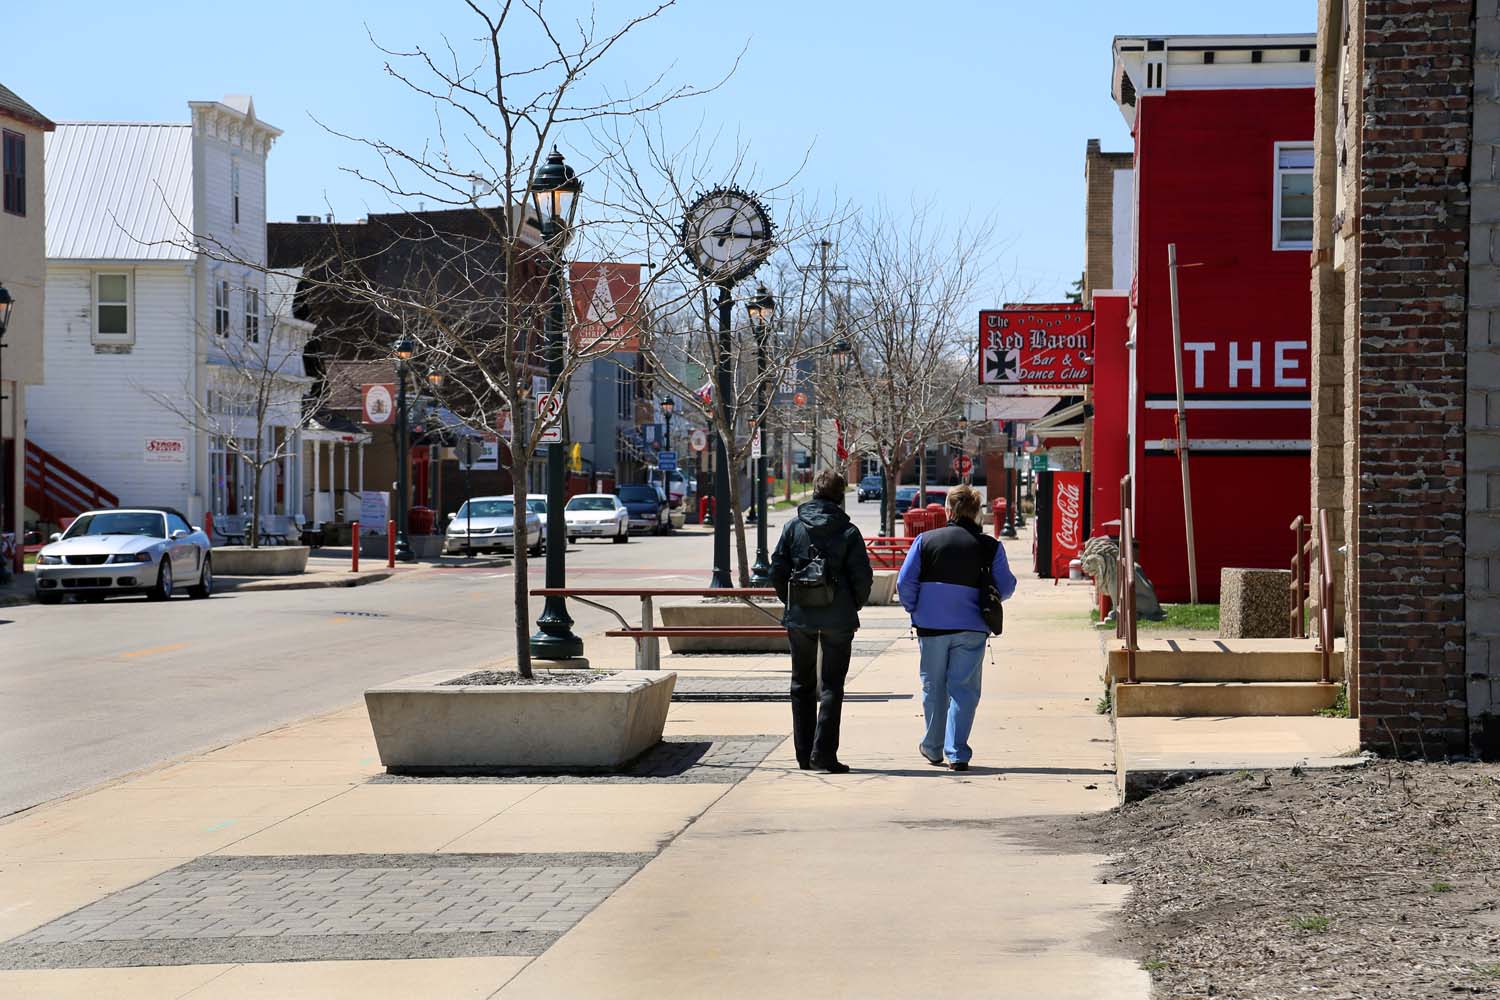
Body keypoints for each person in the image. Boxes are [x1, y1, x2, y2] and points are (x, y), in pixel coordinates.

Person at [896, 484, 1016, 771]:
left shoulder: (925, 541)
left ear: (949, 510)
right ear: (976, 512)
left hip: (931, 625)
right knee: (963, 689)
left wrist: (915, 607)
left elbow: (904, 583)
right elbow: (1007, 587)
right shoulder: (990, 546)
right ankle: (957, 752)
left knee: (933, 686)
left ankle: (933, 747)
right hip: (972, 626)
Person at [771, 469, 874, 774]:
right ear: (841, 496)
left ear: (815, 491)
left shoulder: (793, 527)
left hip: (800, 617)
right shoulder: (849, 532)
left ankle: (804, 754)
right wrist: (851, 605)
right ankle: (824, 754)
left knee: (801, 685)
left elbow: (777, 569)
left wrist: (791, 601)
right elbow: (862, 577)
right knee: (832, 686)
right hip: (838, 618)